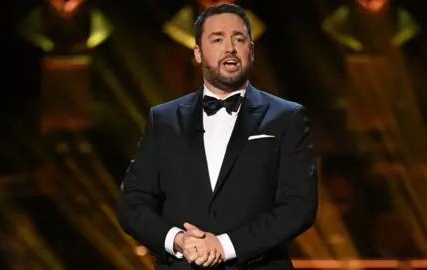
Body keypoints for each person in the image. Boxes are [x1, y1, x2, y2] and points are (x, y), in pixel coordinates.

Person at [117, 3, 318, 269]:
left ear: (252, 51)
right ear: (198, 53)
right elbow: (133, 203)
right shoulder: (164, 120)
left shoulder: (286, 117)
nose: (230, 48)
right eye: (217, 39)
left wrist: (224, 245)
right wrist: (177, 240)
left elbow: (298, 207)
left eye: (239, 39)